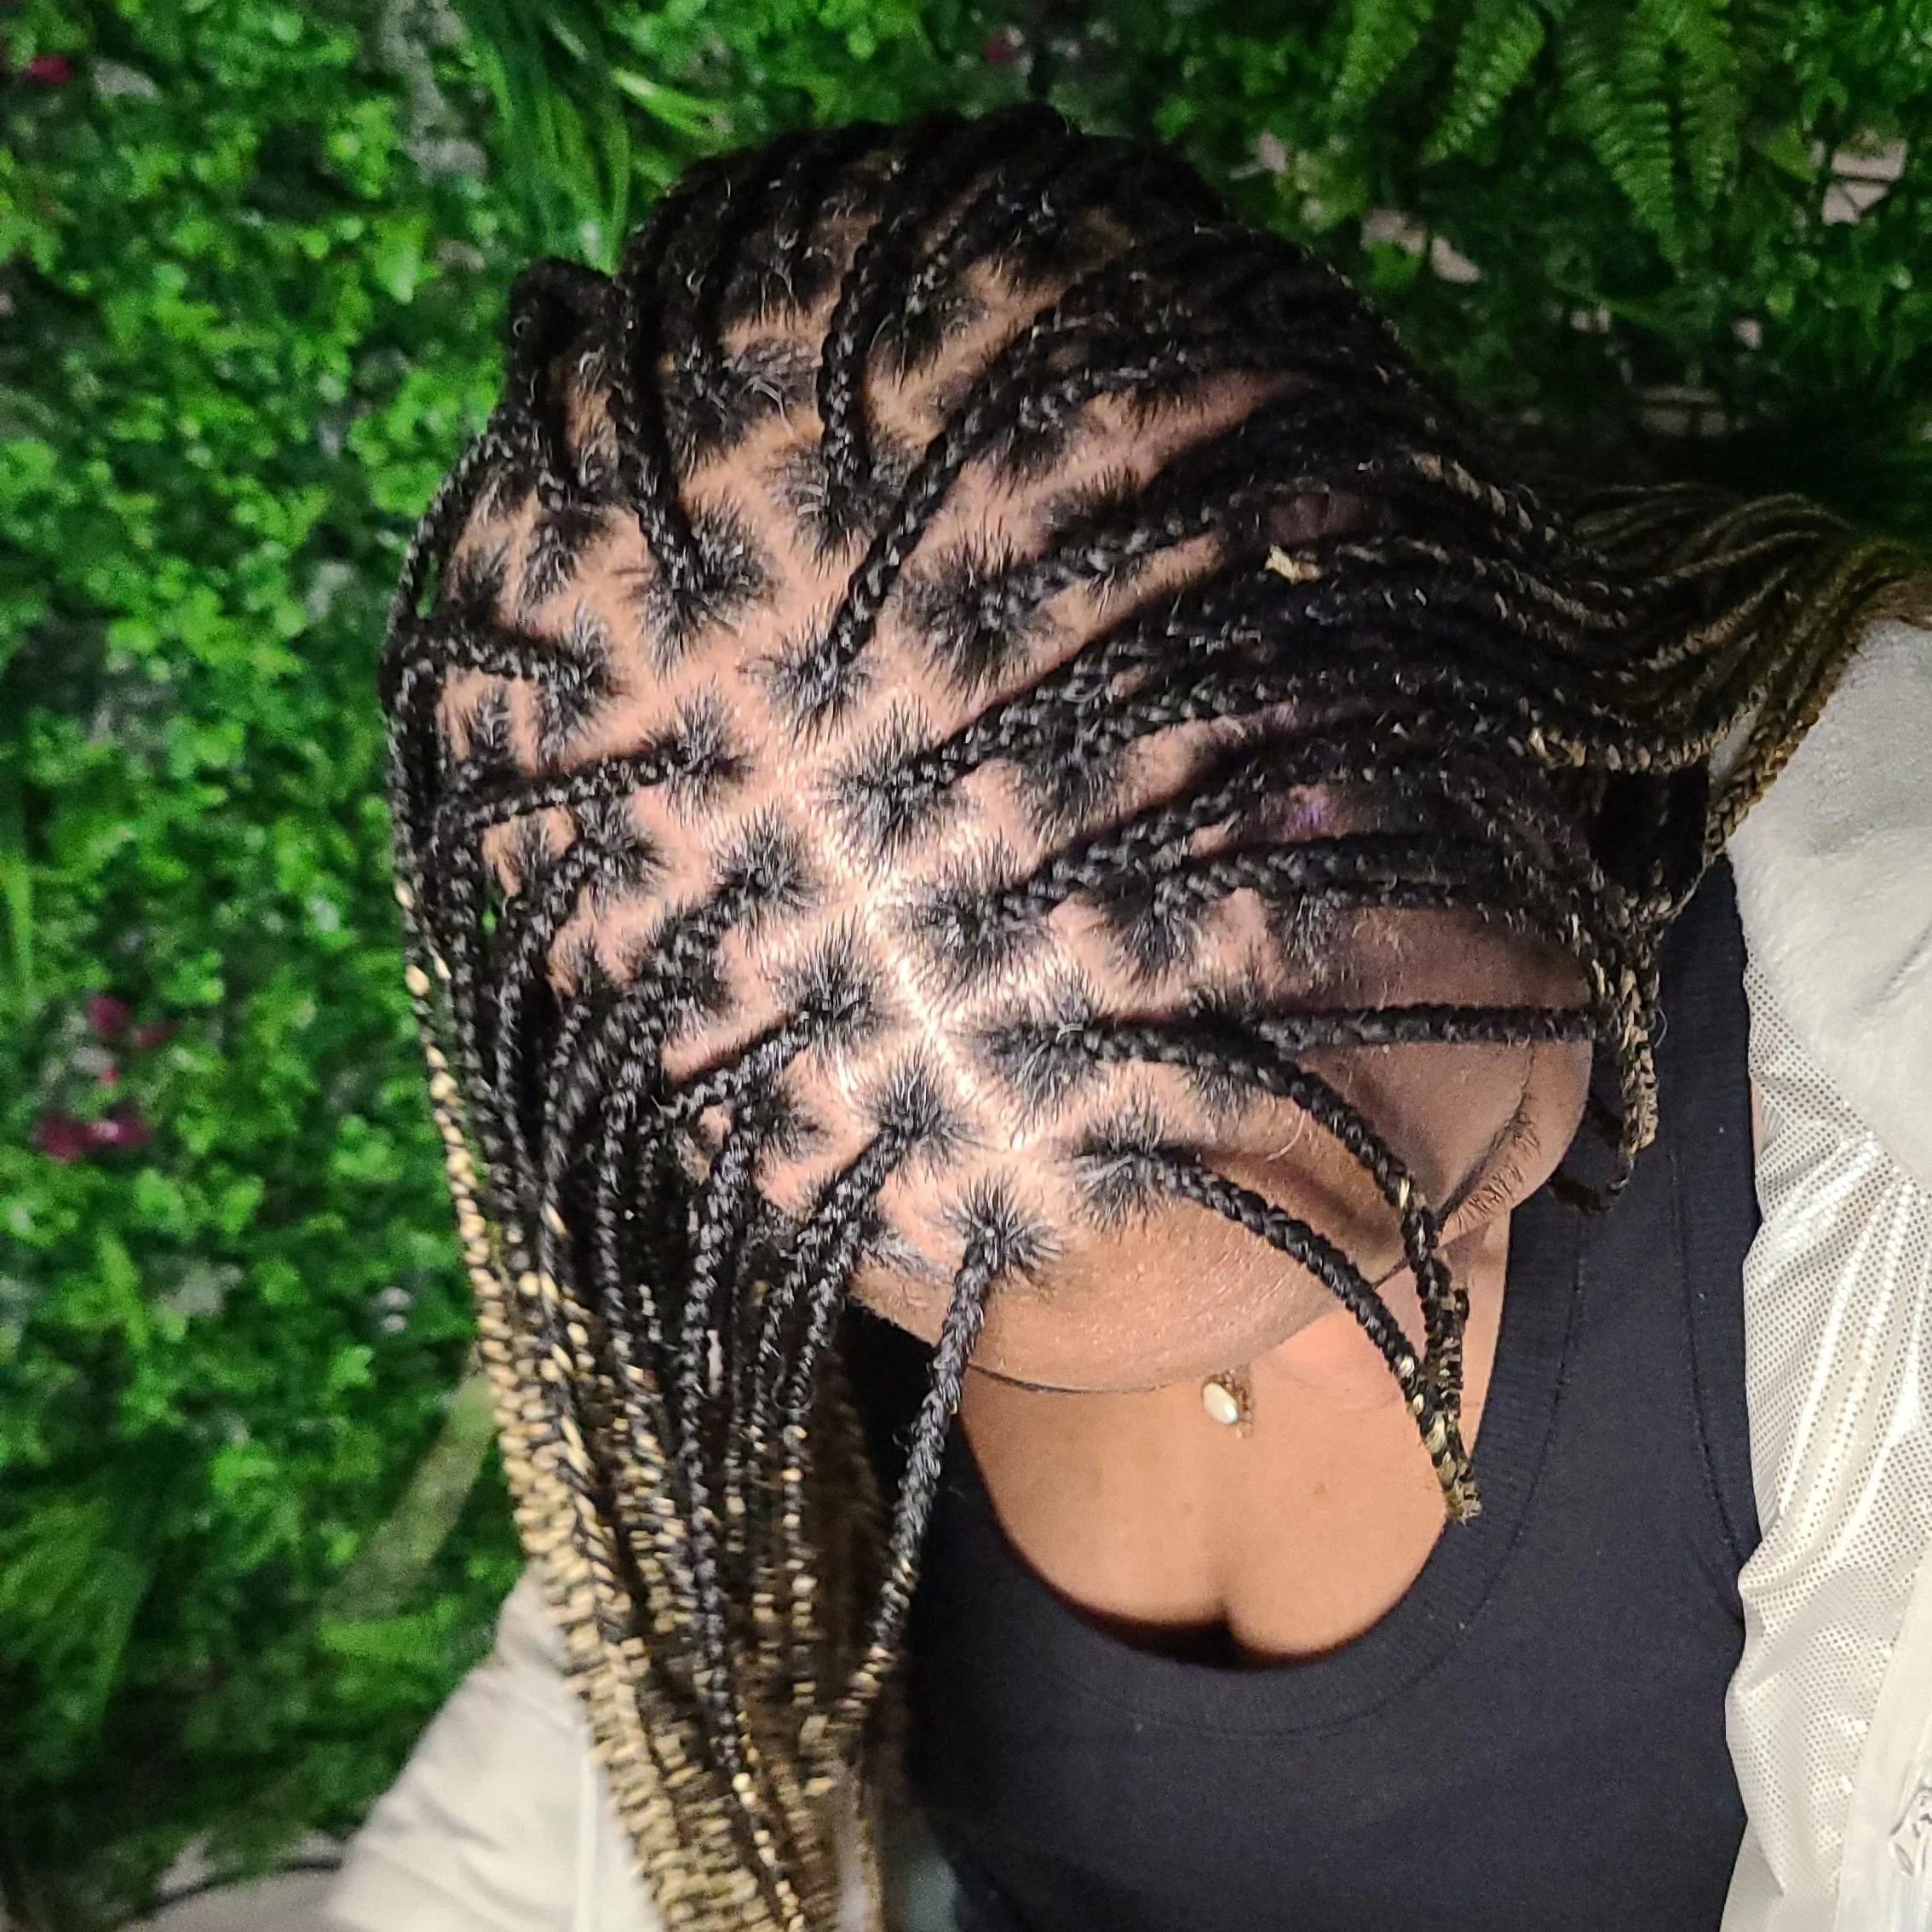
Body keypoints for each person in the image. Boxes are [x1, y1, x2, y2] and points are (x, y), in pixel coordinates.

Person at [326, 108, 1932, 1932]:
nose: (1361, 1356)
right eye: (1039, 1356)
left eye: (1465, 1185)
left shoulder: (1873, 1089)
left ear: (1486, 718)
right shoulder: (780, 1170)